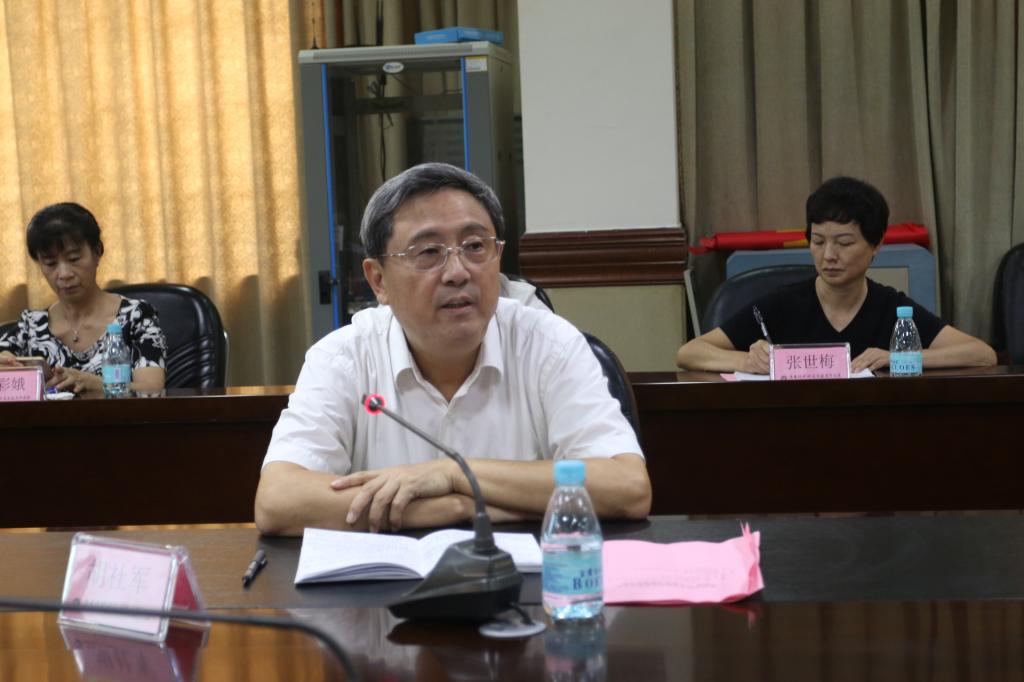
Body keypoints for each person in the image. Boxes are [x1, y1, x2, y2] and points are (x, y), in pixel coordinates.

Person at [256, 163, 651, 536]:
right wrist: (458, 508)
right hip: (385, 586)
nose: (458, 272)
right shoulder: (343, 359)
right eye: (428, 252)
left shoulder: (550, 345)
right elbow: (278, 501)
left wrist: (456, 474)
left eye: (475, 246)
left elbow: (627, 487)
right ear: (378, 281)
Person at [676, 176, 996, 374]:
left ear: (876, 245)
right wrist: (745, 361)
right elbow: (689, 353)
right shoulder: (781, 305)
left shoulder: (891, 308)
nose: (829, 255)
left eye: (844, 243)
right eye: (818, 242)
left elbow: (982, 354)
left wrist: (897, 358)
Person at [0, 202, 166, 394]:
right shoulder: (31, 326)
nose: (64, 274)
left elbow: (152, 390)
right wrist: (6, 364)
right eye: (50, 263)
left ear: (97, 252)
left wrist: (94, 384)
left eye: (74, 259)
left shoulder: (137, 317)